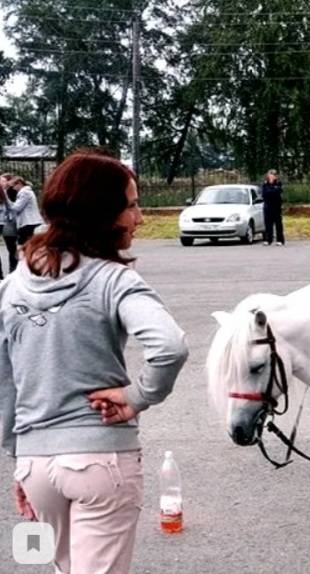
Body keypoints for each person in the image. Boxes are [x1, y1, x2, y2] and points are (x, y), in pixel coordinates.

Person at [0, 152, 189, 574]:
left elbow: (5, 380)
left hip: (37, 467)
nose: (139, 218)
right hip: (101, 461)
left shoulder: (11, 286)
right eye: (131, 205)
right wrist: (138, 396)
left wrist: (20, 459)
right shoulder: (114, 279)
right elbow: (170, 346)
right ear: (101, 211)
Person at [1, 175, 44, 246]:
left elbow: (16, 208)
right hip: (29, 223)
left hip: (29, 223)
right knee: (25, 244)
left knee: (23, 245)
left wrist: (5, 197)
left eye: (13, 186)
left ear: (19, 183)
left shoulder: (24, 192)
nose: (13, 189)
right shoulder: (25, 192)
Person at [0, 174, 20, 274]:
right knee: (12, 248)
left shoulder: (11, 192)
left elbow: (12, 206)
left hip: (10, 222)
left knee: (13, 248)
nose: (4, 183)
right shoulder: (5, 192)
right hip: (7, 223)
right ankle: (12, 270)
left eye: (4, 181)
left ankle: (13, 270)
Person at [261, 169, 285, 245]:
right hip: (268, 207)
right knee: (268, 224)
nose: (272, 176)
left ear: (276, 176)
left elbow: (278, 192)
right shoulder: (265, 184)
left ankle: (280, 240)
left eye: (273, 175)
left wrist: (272, 191)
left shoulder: (278, 183)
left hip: (277, 207)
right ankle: (268, 240)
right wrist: (273, 190)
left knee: (278, 224)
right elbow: (265, 194)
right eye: (270, 174)